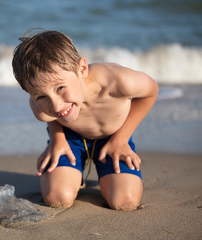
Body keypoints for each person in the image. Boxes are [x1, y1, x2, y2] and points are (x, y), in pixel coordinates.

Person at [12, 30, 159, 210]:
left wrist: (121, 139)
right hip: (71, 138)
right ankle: (74, 174)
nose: (56, 106)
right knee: (57, 198)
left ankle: (98, 169)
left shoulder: (116, 81)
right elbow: (51, 116)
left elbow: (151, 92)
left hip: (114, 137)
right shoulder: (41, 110)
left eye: (60, 88)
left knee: (124, 201)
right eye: (41, 97)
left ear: (82, 69)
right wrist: (57, 139)